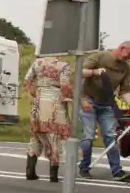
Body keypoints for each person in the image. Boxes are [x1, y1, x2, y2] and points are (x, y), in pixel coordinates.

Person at [78, 41, 130, 181]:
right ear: (122, 48)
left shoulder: (126, 67)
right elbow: (79, 72)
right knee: (88, 136)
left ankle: (117, 171)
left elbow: (125, 91)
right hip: (89, 100)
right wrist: (94, 72)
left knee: (110, 137)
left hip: (107, 104)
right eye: (128, 55)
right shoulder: (100, 57)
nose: (128, 59)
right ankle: (84, 167)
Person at [22, 54, 73, 182]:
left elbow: (27, 80)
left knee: (35, 136)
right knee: (55, 138)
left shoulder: (37, 63)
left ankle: (30, 171)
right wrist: (71, 97)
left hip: (38, 103)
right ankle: (53, 174)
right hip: (55, 104)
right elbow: (65, 86)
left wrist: (34, 93)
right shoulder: (63, 66)